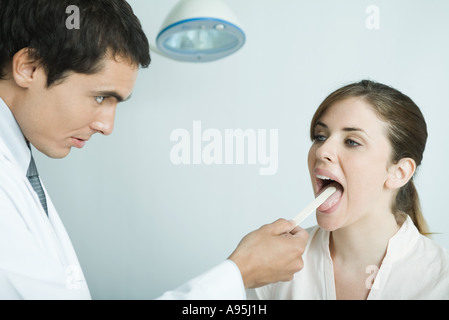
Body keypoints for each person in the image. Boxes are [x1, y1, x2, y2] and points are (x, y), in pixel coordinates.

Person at [0, 0, 308, 299]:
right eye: (100, 97)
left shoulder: (17, 165)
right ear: (30, 67)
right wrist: (240, 274)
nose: (107, 126)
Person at [248, 80, 449, 300]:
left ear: (399, 172)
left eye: (352, 141)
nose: (322, 150)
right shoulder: (274, 267)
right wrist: (243, 271)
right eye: (320, 136)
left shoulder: (441, 281)